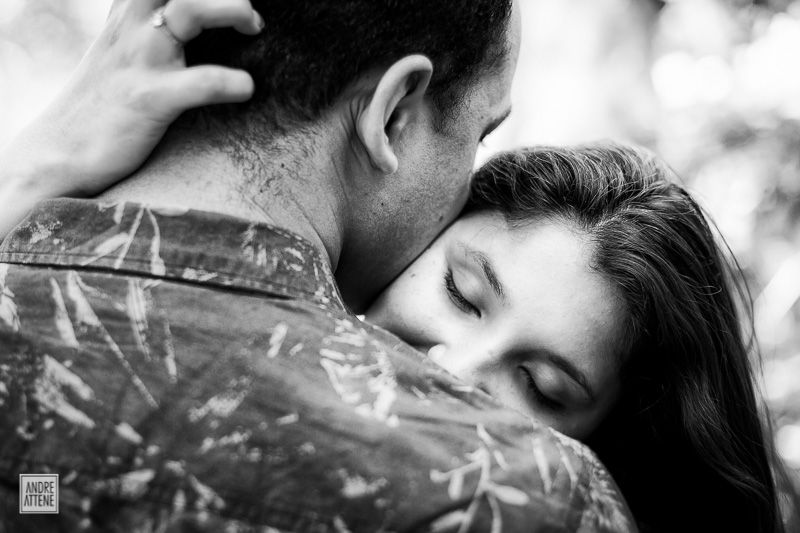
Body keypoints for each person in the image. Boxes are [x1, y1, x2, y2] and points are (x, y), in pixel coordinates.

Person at [0, 0, 640, 532]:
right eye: (480, 134)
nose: (453, 373)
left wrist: (36, 163)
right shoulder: (516, 494)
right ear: (393, 112)